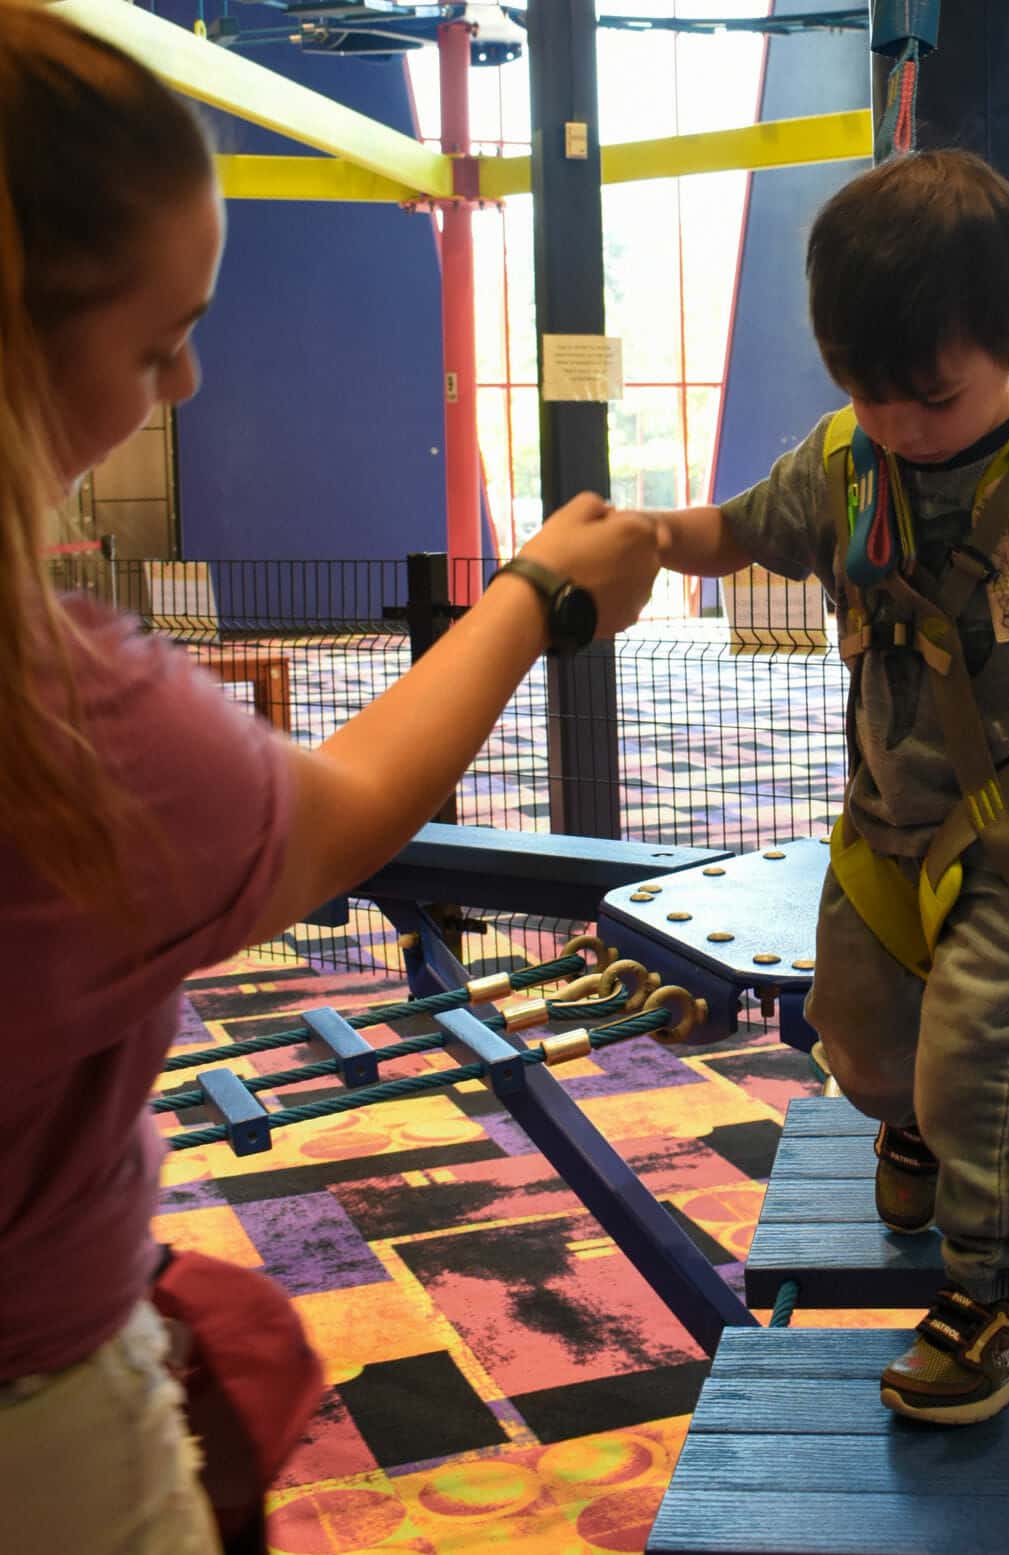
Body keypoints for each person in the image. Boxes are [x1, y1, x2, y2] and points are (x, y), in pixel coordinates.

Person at [0, 8, 662, 1551]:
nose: (179, 383)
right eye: (157, 337)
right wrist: (537, 595)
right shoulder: (67, 724)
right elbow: (347, 812)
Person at [654, 149, 1009, 1424]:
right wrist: (648, 537)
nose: (897, 423)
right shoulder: (842, 463)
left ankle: (1008, 1302)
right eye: (866, 392)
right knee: (865, 1052)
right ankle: (918, 1129)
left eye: (929, 399)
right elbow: (736, 532)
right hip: (886, 828)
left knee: (972, 1056)